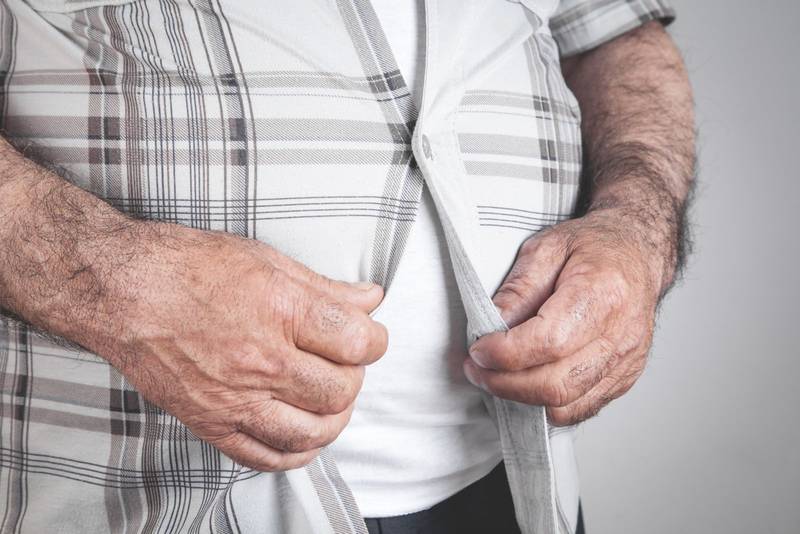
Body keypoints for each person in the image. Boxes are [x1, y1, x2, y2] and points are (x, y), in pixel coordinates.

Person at [0, 0, 694, 532]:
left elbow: (613, 34)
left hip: (516, 486)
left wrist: (638, 224)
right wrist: (116, 281)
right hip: (137, 496)